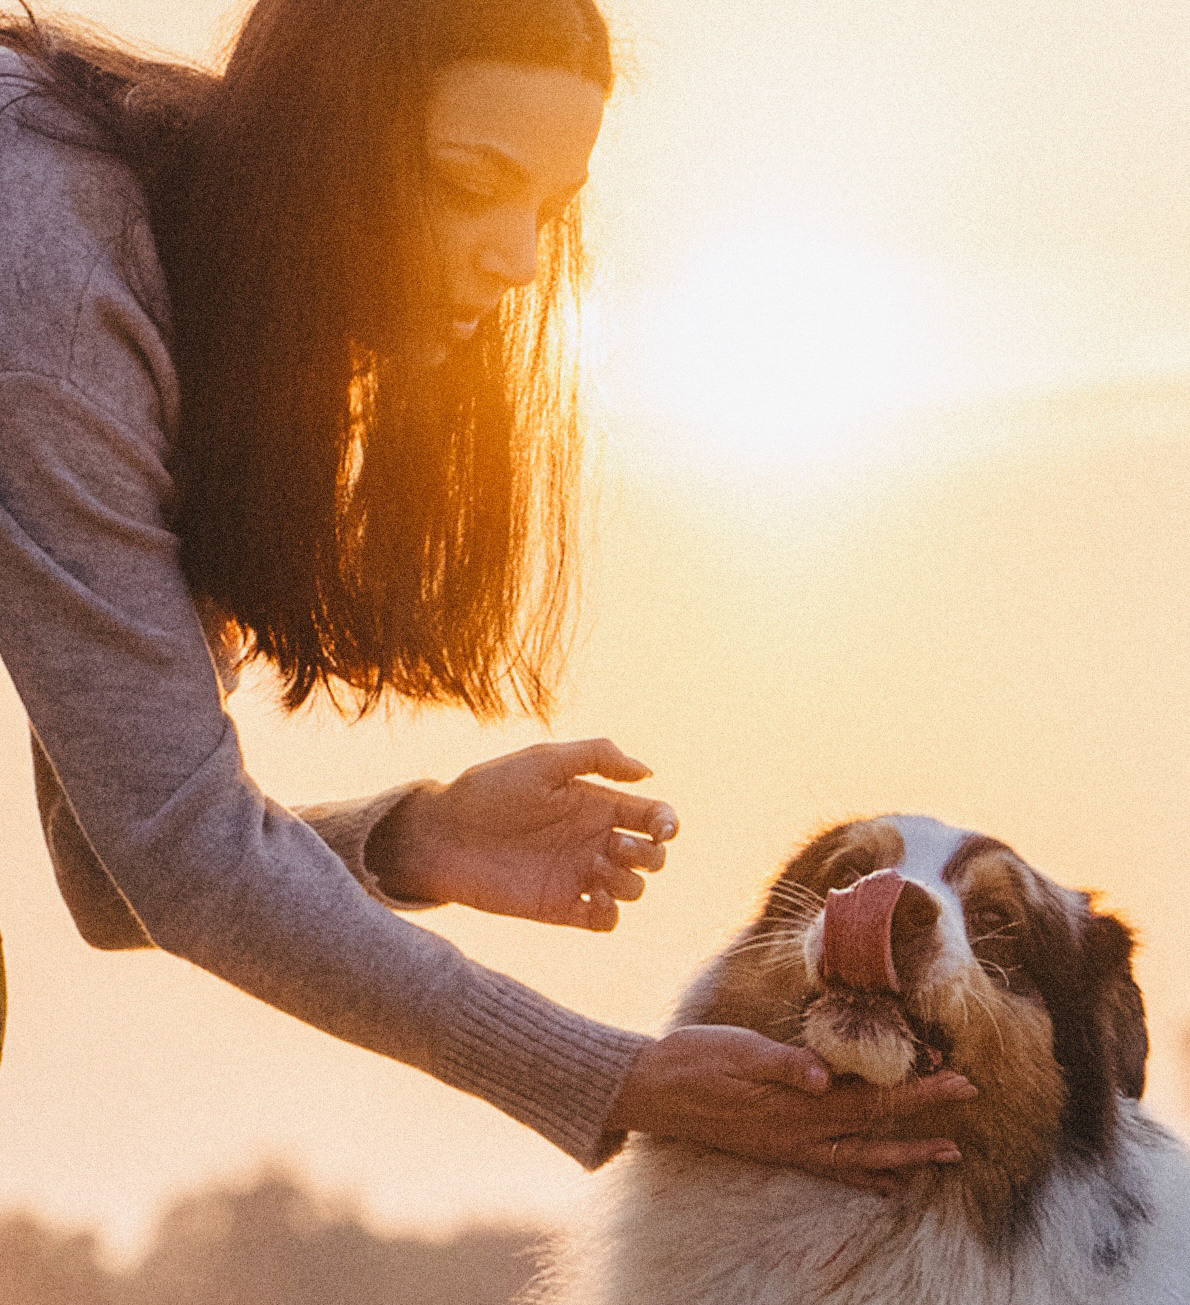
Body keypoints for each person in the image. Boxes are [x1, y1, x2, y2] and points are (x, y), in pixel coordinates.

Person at [0, 0, 974, 1193]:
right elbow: (174, 858)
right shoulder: (51, 290)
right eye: (473, 181)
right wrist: (609, 1074)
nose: (517, 256)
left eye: (546, 211)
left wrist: (413, 839)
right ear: (327, 142)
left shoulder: (171, 275)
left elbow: (115, 870)